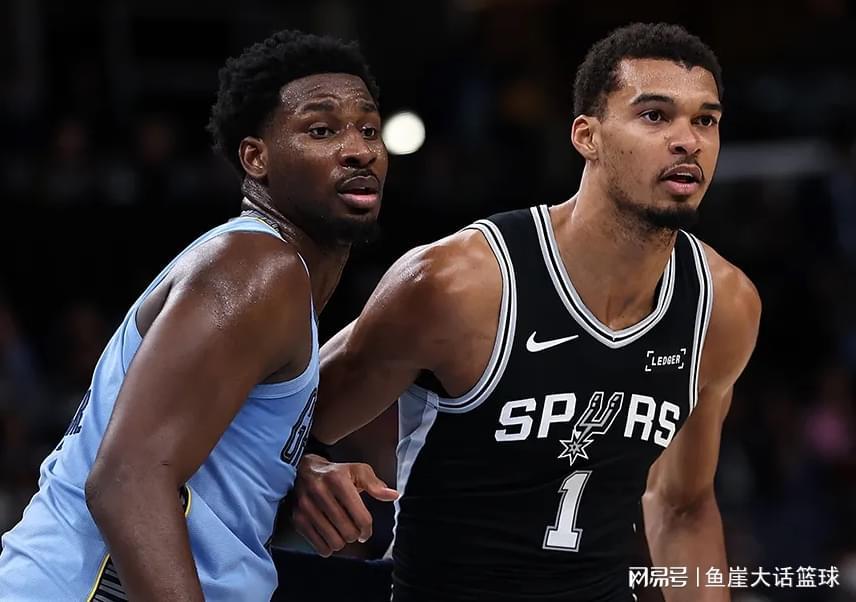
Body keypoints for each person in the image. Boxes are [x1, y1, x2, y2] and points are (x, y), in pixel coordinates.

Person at [292, 22, 761, 602]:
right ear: (587, 136)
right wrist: (303, 469)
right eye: (655, 116)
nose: (688, 140)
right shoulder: (458, 285)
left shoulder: (724, 305)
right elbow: (272, 424)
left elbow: (683, 507)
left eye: (705, 121)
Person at [0, 29, 391, 601]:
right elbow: (127, 481)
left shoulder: (267, 275)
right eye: (322, 130)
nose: (359, 149)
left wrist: (291, 472)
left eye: (368, 129)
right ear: (256, 158)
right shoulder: (258, 269)